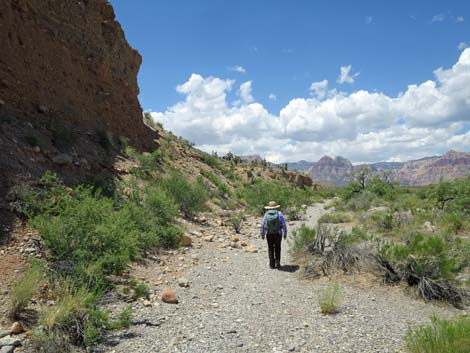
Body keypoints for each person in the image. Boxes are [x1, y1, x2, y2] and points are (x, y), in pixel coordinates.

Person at [260, 201, 288, 269]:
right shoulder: (279, 214)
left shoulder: (266, 214)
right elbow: (284, 224)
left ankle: (272, 265)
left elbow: (263, 225)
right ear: (276, 207)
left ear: (269, 207)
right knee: (278, 247)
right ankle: (278, 263)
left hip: (269, 234)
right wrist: (285, 233)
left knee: (270, 248)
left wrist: (262, 234)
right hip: (278, 234)